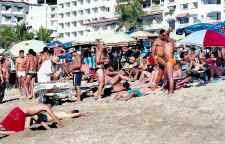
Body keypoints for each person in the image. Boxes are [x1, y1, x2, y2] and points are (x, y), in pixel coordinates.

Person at [152, 29, 175, 94]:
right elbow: (153, 52)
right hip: (158, 57)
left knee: (160, 73)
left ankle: (155, 86)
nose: (163, 36)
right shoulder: (156, 41)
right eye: (163, 35)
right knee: (166, 66)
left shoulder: (165, 40)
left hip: (165, 58)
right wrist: (155, 60)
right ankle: (165, 81)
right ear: (161, 34)